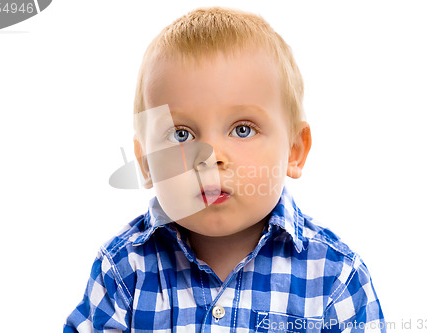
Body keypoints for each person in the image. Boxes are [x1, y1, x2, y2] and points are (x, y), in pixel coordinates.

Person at [64, 7, 386, 332]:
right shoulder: (123, 271)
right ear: (146, 162)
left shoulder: (335, 278)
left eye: (242, 129)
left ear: (294, 150)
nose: (210, 156)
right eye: (181, 134)